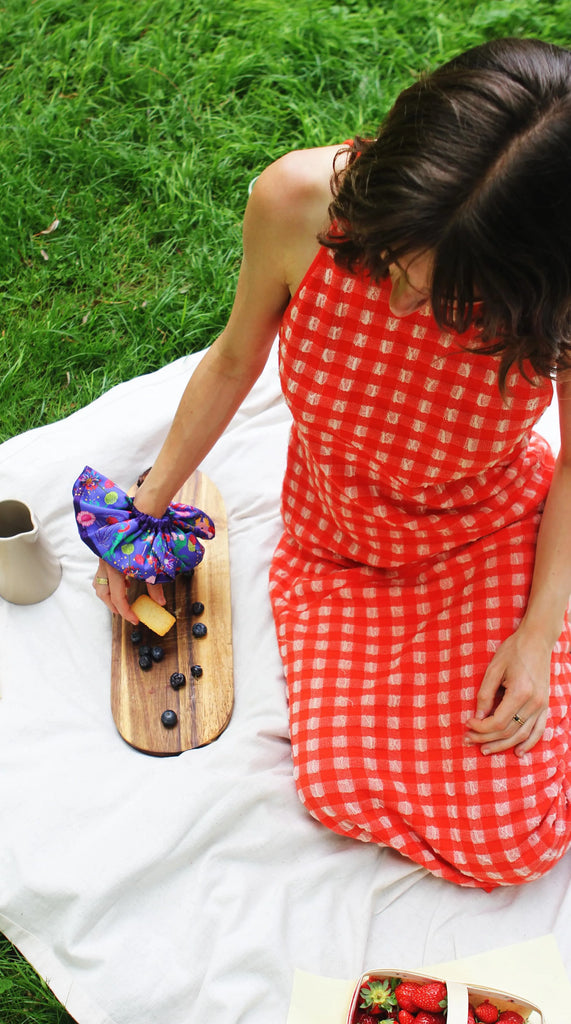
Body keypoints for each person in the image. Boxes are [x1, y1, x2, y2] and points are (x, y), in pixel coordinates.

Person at [92, 37, 571, 888]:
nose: (400, 304)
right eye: (390, 262)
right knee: (337, 790)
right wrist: (145, 509)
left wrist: (535, 636)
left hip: (484, 535)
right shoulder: (295, 202)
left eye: (446, 297)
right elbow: (233, 360)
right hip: (338, 539)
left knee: (510, 837)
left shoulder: (557, 299)